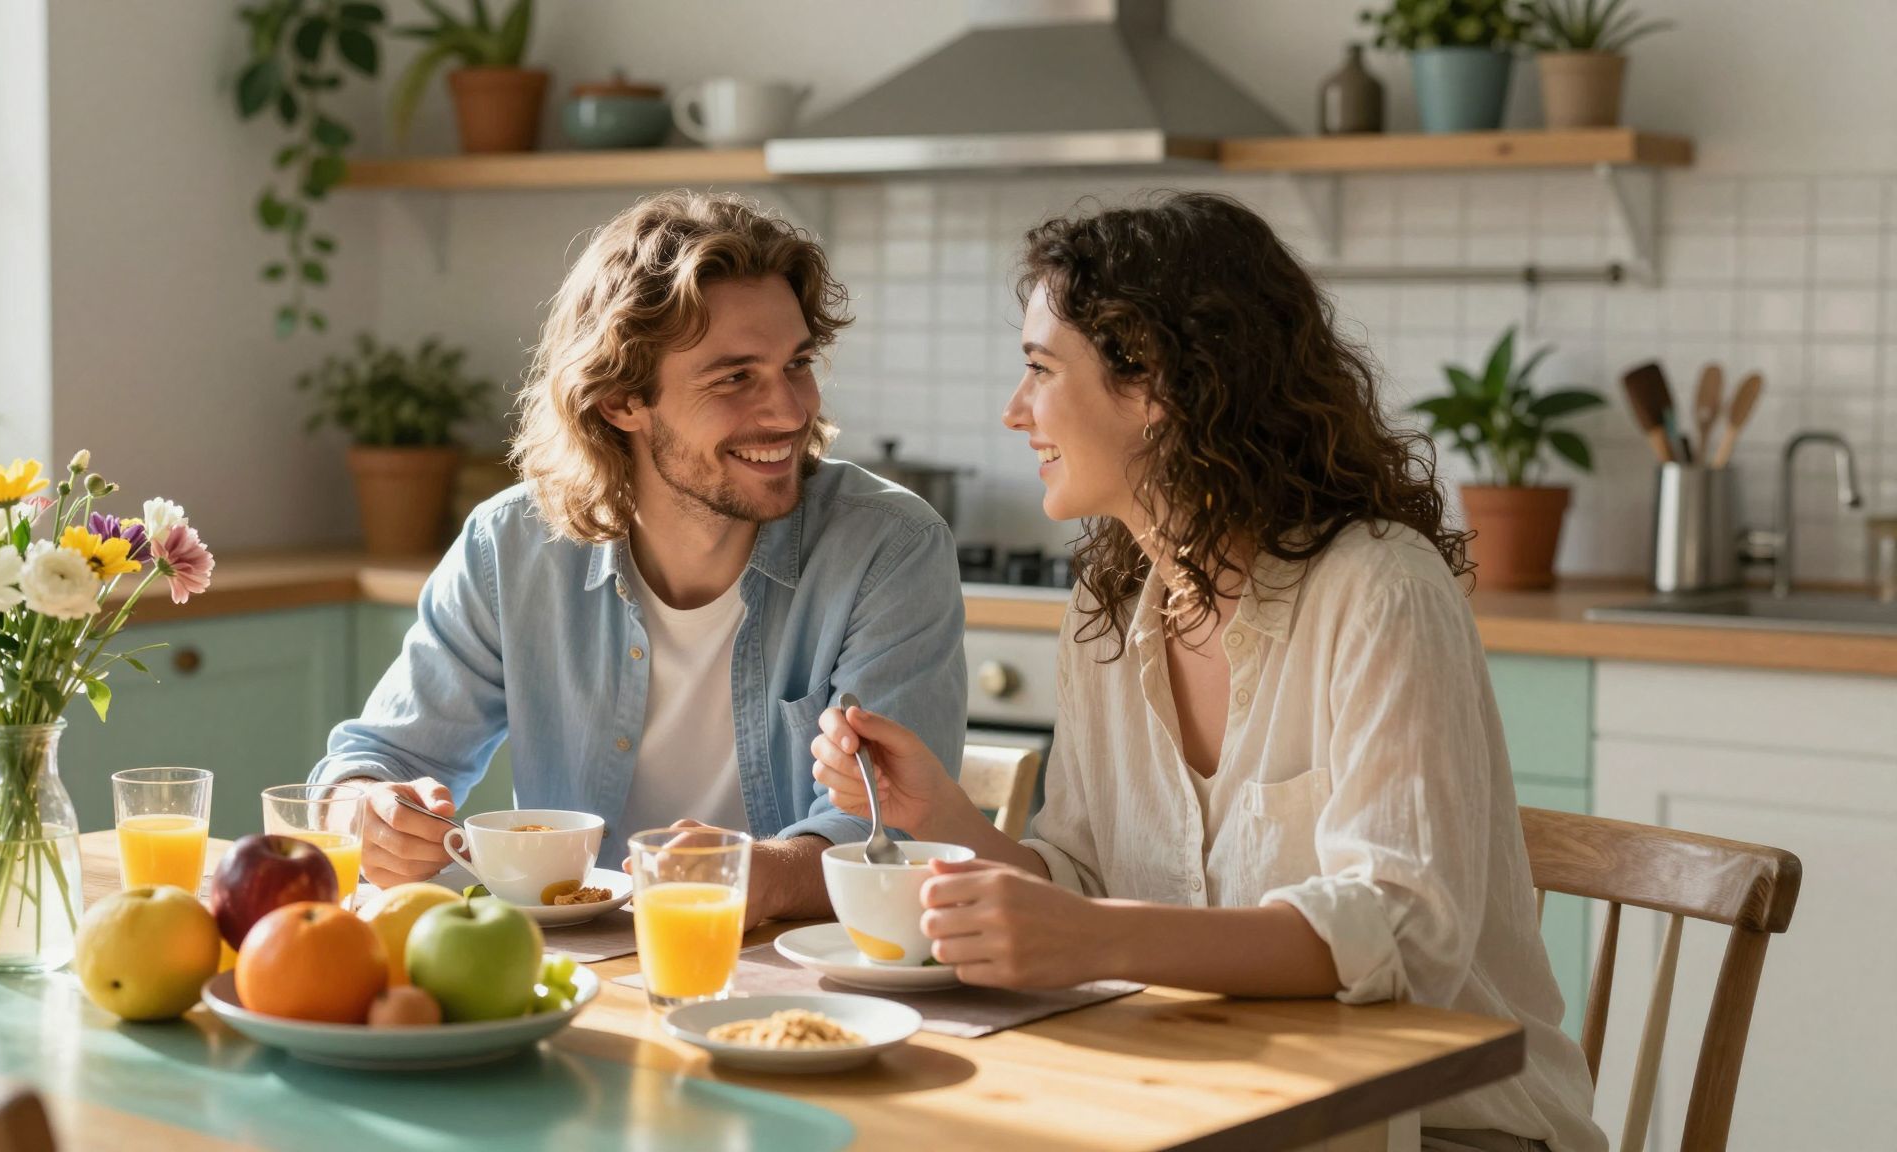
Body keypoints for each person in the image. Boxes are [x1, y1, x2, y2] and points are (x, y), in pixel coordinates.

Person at [810, 192, 1603, 1152]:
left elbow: (1404, 935)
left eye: (1039, 369)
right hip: (1212, 1102)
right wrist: (939, 818)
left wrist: (1098, 938)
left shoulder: (1380, 588)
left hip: (1440, 1129)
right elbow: (1085, 880)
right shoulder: (1111, 613)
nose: (1014, 410)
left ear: (1154, 383)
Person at [311, 190, 967, 925]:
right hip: (577, 981)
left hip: (805, 978)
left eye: (797, 363)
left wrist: (746, 875)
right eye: (734, 377)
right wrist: (364, 811)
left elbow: (888, 836)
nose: (789, 410)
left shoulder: (889, 548)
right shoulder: (512, 547)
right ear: (623, 400)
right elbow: (378, 758)